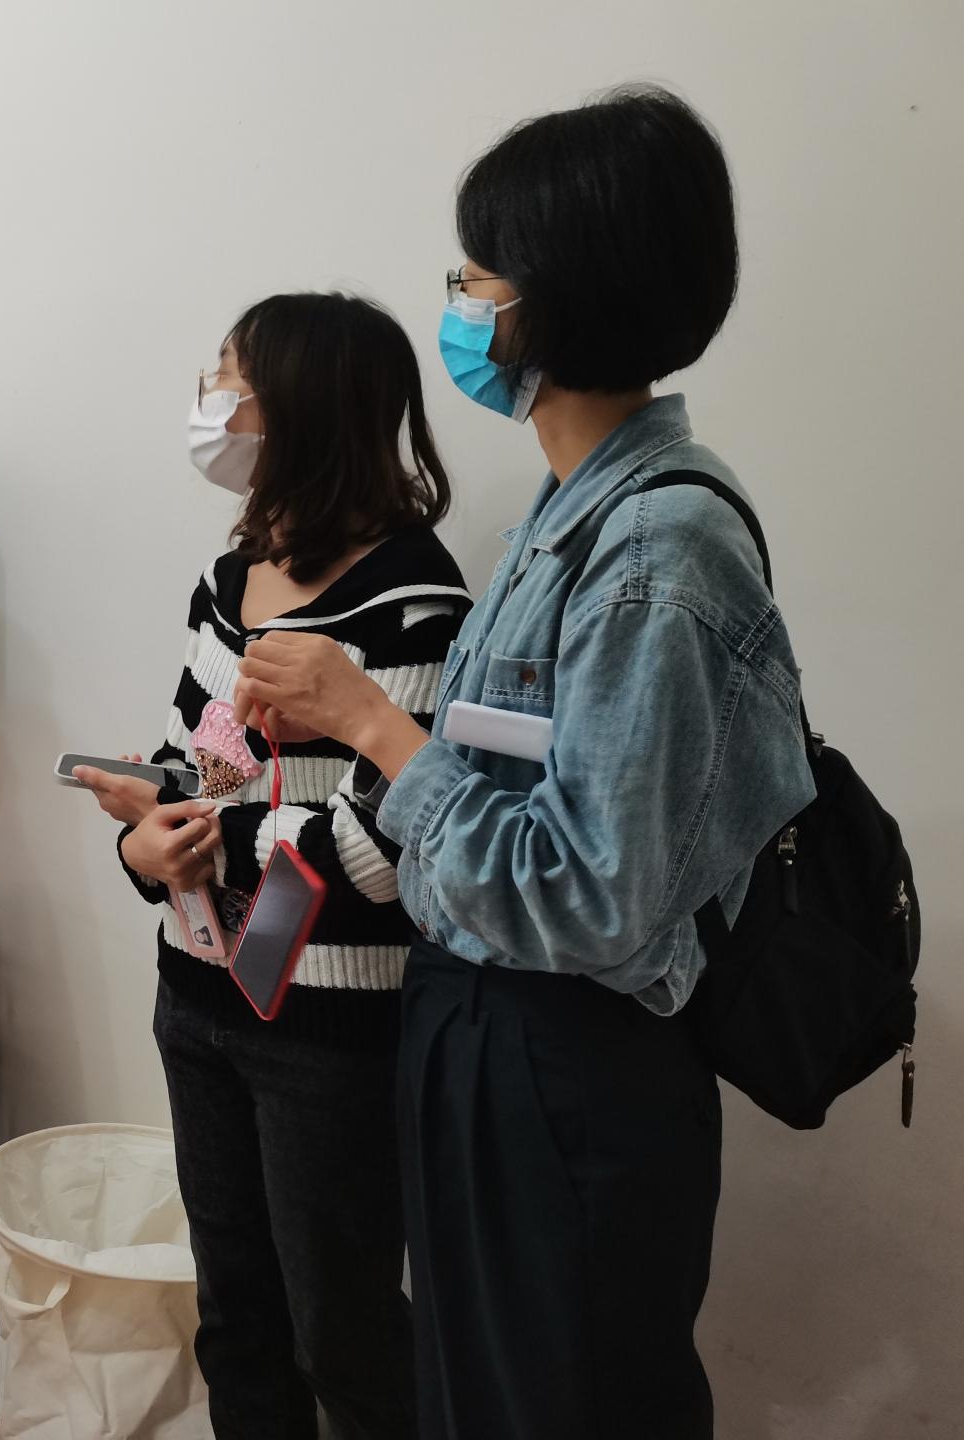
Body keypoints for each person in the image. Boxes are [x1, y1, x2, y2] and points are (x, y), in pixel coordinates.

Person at [233, 88, 815, 1439]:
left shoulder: (659, 553)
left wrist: (374, 726)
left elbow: (592, 895)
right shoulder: (568, 518)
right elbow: (506, 787)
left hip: (570, 1057)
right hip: (484, 1028)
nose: (459, 303)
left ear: (559, 296)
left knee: (564, 1400)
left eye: (476, 274)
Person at [79, 292, 471, 1440]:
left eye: (232, 378)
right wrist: (143, 842)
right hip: (198, 998)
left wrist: (207, 837)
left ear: (304, 406)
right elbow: (199, 762)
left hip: (330, 1035)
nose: (212, 401)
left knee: (343, 1335)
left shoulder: (416, 602)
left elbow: (382, 851)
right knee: (236, 1318)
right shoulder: (231, 579)